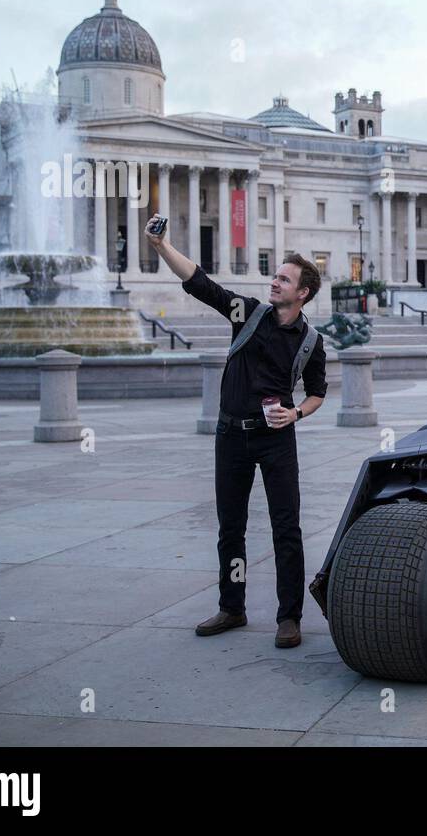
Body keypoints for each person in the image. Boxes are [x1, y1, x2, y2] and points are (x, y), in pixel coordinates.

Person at [146, 214, 327, 649]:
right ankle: (233, 606)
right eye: (276, 275)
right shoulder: (247, 312)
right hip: (231, 438)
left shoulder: (310, 341)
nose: (275, 282)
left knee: (287, 528)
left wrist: (296, 414)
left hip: (276, 440)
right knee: (231, 527)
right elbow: (201, 283)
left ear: (302, 293)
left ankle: (289, 617)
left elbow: (318, 392)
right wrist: (162, 247)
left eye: (284, 279)